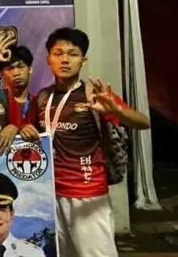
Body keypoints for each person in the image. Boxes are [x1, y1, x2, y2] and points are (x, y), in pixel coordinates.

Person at [22, 27, 150, 257]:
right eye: (58, 53)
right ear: (48, 59)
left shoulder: (94, 96)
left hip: (88, 193)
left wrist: (116, 110)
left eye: (73, 54)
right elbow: (30, 132)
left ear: (83, 60)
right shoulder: (42, 98)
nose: (65, 60)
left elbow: (143, 122)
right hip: (50, 194)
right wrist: (24, 128)